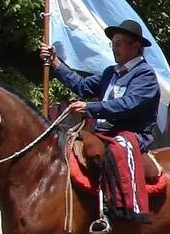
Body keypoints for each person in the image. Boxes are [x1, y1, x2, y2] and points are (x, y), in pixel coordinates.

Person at [39, 19, 160, 151]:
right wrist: (55, 62)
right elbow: (82, 86)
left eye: (118, 44)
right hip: (103, 135)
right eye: (112, 44)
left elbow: (127, 105)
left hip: (132, 136)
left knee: (116, 154)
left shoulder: (145, 74)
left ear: (136, 47)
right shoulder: (110, 72)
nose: (114, 49)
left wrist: (89, 107)